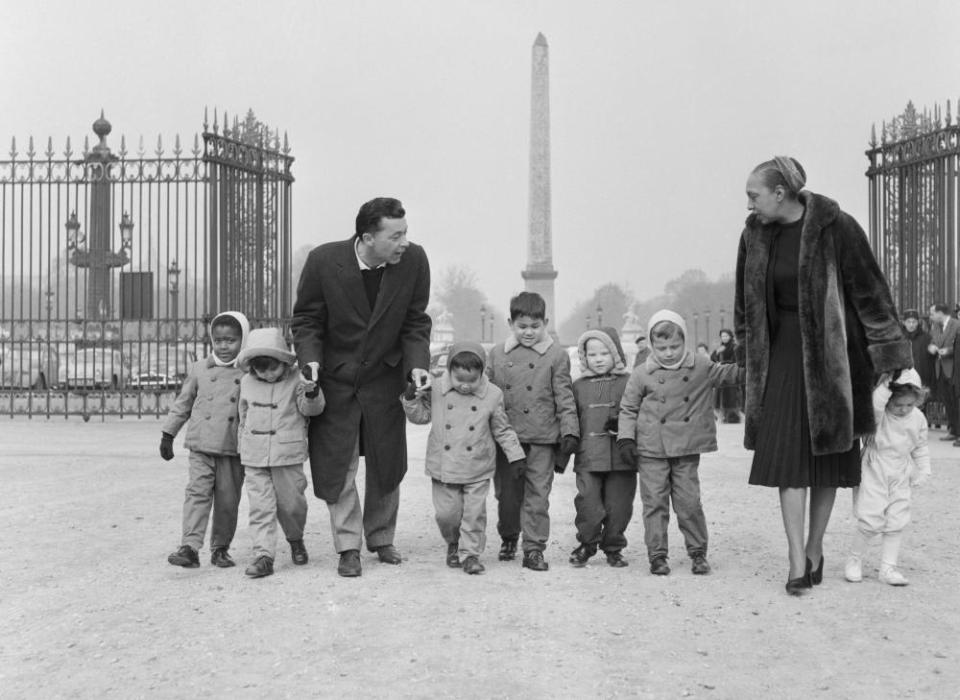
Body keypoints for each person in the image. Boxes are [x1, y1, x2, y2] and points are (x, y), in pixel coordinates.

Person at [735, 156, 911, 595]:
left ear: (780, 192)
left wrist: (889, 353)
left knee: (827, 461)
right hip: (779, 357)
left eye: (754, 194)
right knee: (787, 463)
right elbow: (745, 304)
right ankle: (796, 559)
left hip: (834, 357)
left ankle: (815, 548)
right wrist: (747, 355)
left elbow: (870, 292)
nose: (749, 203)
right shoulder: (753, 235)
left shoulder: (837, 226)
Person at [291, 197, 432, 577]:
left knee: (387, 463)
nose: (405, 242)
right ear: (368, 238)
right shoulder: (324, 261)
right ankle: (348, 545)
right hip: (335, 380)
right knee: (340, 464)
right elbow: (306, 320)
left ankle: (382, 537)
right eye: (396, 235)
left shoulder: (415, 261)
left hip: (385, 380)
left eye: (406, 233)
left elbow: (416, 322)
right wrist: (310, 359)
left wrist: (417, 366)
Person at [617, 310, 742, 576]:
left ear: (684, 340)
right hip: (651, 448)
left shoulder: (700, 366)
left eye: (675, 346)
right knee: (654, 503)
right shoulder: (641, 373)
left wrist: (752, 356)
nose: (669, 353)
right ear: (652, 346)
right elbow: (627, 408)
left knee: (689, 503)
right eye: (661, 347)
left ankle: (698, 552)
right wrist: (626, 438)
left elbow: (728, 375)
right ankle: (657, 555)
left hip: (685, 448)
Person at [401, 341, 526, 575]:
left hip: (477, 465)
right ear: (449, 371)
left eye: (472, 380)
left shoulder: (492, 394)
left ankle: (471, 555)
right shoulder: (436, 388)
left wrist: (515, 456)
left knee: (474, 514)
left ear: (482, 373)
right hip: (444, 465)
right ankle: (453, 543)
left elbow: (502, 429)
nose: (466, 386)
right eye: (459, 380)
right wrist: (411, 398)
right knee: (447, 515)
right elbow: (420, 417)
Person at [487, 291, 579, 572]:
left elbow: (564, 396)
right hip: (507, 438)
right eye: (522, 326)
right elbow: (487, 395)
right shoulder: (497, 354)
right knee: (507, 496)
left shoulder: (557, 355)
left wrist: (569, 432)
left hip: (542, 438)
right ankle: (509, 535)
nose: (529, 332)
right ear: (510, 323)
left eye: (535, 326)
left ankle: (534, 548)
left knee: (538, 495)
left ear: (546, 323)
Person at [162, 311, 250, 569]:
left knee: (227, 500)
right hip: (201, 445)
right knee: (196, 493)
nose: (223, 346)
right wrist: (168, 433)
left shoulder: (248, 371)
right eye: (218, 340)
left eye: (231, 340)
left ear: (242, 340)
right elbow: (183, 403)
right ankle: (189, 546)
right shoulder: (200, 368)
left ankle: (220, 548)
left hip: (232, 448)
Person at [236, 328, 326, 578]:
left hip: (287, 454)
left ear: (283, 362)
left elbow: (312, 410)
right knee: (260, 507)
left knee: (292, 505)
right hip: (254, 455)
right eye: (260, 369)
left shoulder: (299, 378)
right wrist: (242, 446)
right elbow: (243, 416)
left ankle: (295, 538)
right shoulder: (246, 382)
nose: (266, 374)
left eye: (271, 368)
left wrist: (311, 390)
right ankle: (263, 555)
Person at [845, 369, 930, 586]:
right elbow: (875, 404)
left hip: (901, 471)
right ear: (888, 400)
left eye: (909, 405)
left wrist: (923, 469)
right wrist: (887, 383)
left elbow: (920, 446)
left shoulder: (918, 418)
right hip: (876, 467)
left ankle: (888, 568)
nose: (903, 410)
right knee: (870, 517)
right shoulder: (879, 415)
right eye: (898, 404)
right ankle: (854, 560)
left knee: (897, 519)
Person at [565, 327, 636, 568]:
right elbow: (570, 417)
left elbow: (641, 411)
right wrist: (567, 445)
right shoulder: (578, 386)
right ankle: (587, 542)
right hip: (588, 456)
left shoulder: (630, 382)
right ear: (584, 356)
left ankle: (614, 546)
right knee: (588, 503)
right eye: (592, 354)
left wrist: (627, 427)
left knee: (620, 506)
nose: (598, 359)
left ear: (616, 353)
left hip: (621, 457)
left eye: (604, 353)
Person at [927, 304, 958, 439]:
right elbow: (933, 342)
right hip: (940, 368)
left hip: (953, 368)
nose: (931, 317)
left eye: (932, 314)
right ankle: (953, 431)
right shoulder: (935, 327)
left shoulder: (956, 325)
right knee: (947, 401)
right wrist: (931, 347)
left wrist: (949, 351)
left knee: (956, 401)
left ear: (940, 313)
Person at [900, 309, 937, 428]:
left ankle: (920, 427)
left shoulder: (926, 338)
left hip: (921, 376)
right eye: (909, 321)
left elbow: (933, 357)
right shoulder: (898, 338)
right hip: (903, 376)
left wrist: (934, 351)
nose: (911, 324)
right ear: (904, 322)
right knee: (903, 401)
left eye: (914, 322)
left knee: (920, 403)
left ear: (918, 322)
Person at [710, 328, 741, 424]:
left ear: (730, 336)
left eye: (726, 336)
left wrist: (723, 363)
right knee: (719, 397)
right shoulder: (721, 347)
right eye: (722, 336)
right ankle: (721, 417)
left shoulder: (734, 347)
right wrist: (717, 353)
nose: (724, 338)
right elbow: (713, 358)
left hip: (731, 374)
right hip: (721, 375)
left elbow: (736, 360)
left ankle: (733, 417)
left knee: (731, 397)